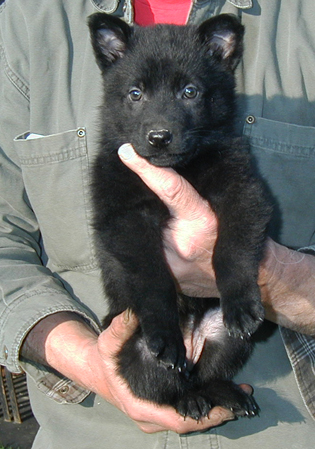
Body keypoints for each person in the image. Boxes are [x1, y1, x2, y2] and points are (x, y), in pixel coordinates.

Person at [0, 0, 314, 447]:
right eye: (136, 94)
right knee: (146, 355)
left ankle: (210, 386)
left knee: (229, 330)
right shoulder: (29, 20)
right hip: (97, 425)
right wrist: (91, 364)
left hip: (280, 428)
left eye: (189, 93)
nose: (161, 123)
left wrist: (268, 278)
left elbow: (245, 206)